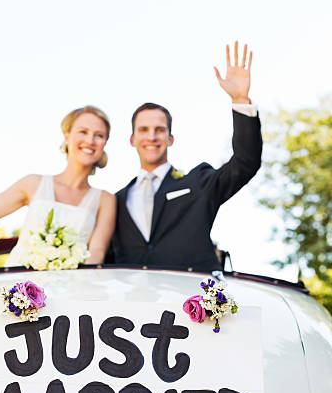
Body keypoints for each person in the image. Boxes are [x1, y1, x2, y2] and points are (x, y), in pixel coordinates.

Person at [111, 42, 262, 272]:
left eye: (159, 130)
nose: (152, 136)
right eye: (143, 130)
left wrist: (240, 100)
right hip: (134, 303)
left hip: (191, 299)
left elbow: (246, 162)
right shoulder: (116, 201)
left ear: (170, 138)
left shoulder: (198, 184)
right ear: (132, 139)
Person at [0, 106, 116, 266]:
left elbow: (96, 254)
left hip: (71, 290)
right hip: (20, 290)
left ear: (105, 144)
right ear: (67, 135)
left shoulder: (106, 200)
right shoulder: (33, 184)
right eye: (83, 132)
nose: (90, 140)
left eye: (99, 135)